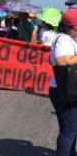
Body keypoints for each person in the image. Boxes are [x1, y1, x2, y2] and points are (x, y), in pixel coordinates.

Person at [49, 8, 77, 156]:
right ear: (70, 27)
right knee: (70, 131)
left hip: (63, 88)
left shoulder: (65, 38)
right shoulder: (63, 39)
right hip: (66, 90)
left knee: (70, 130)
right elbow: (62, 60)